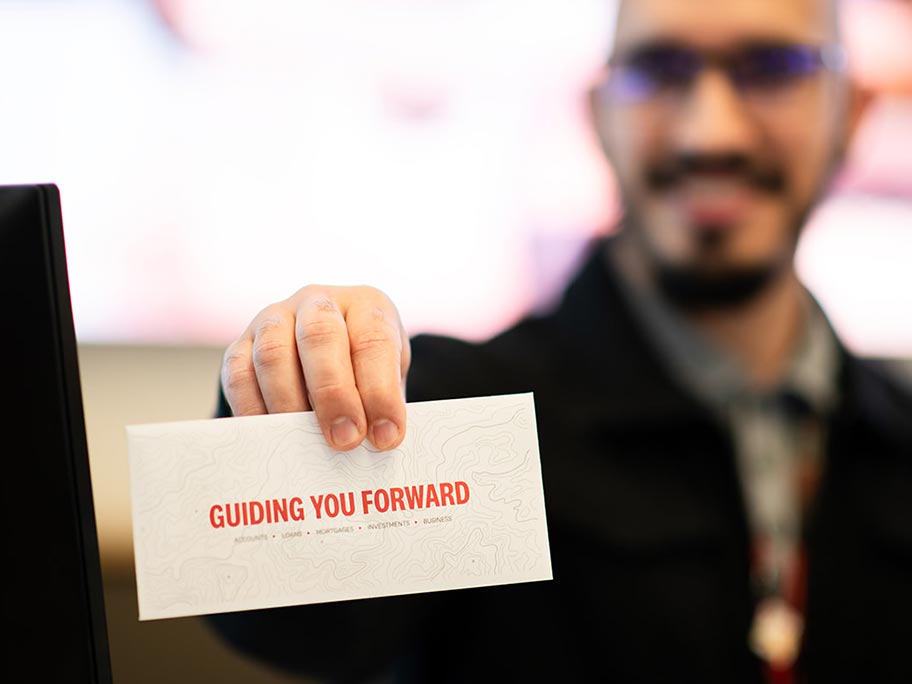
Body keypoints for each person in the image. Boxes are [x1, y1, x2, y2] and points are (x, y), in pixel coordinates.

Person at [207, 1, 912, 682]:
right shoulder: (458, 421)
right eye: (658, 71)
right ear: (598, 117)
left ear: (852, 113)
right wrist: (299, 387)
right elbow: (294, 622)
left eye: (773, 67)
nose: (711, 133)